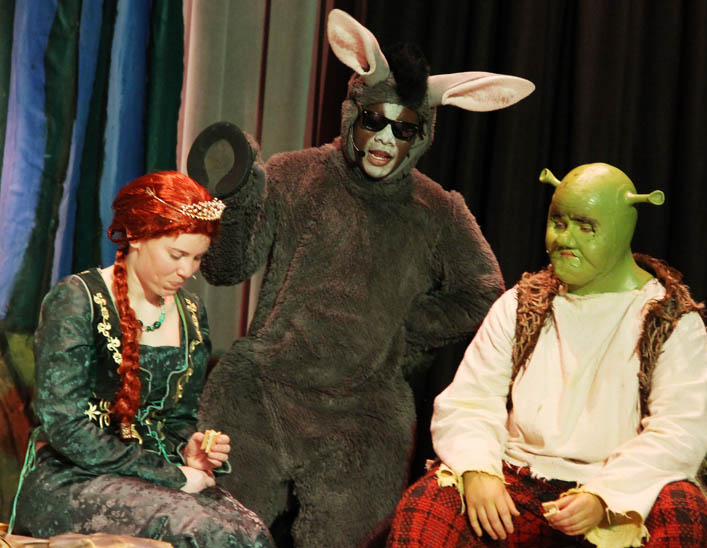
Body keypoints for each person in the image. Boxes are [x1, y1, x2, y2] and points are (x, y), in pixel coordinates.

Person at [188, 9, 534, 548]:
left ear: (421, 135)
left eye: (405, 128)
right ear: (353, 113)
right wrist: (236, 199)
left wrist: (398, 334)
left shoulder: (436, 210)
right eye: (375, 119)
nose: (385, 138)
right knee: (218, 531)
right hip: (265, 389)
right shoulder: (294, 173)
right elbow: (225, 267)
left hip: (362, 411)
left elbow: (482, 290)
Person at [387, 163, 707, 548]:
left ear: (622, 231)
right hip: (521, 480)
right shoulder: (521, 305)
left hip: (620, 489)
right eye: (558, 222)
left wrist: (604, 495)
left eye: (585, 227)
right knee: (427, 507)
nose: (565, 238)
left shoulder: (669, 319)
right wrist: (479, 471)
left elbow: (680, 430)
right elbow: (471, 400)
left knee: (685, 511)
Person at [11, 172, 274, 547]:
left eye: (197, 258)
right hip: (74, 478)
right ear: (135, 236)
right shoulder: (78, 300)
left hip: (157, 476)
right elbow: (65, 427)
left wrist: (189, 449)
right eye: (176, 255)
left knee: (250, 531)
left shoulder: (190, 312)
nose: (187, 271)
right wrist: (171, 475)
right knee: (204, 530)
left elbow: (178, 419)